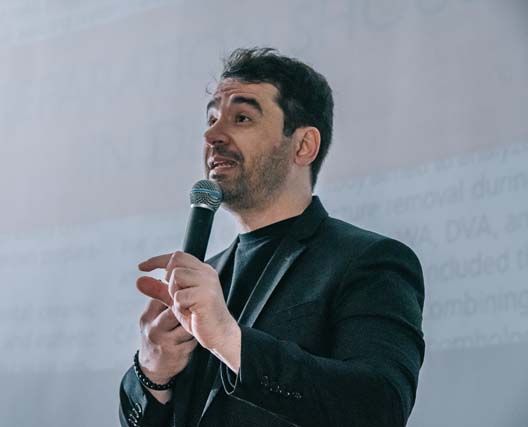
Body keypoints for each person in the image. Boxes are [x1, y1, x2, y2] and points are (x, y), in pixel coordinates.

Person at [119, 47, 424, 426]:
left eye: (241, 118)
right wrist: (153, 373)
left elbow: (380, 405)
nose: (212, 135)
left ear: (303, 145)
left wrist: (230, 340)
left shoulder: (369, 261)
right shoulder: (204, 276)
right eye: (211, 118)